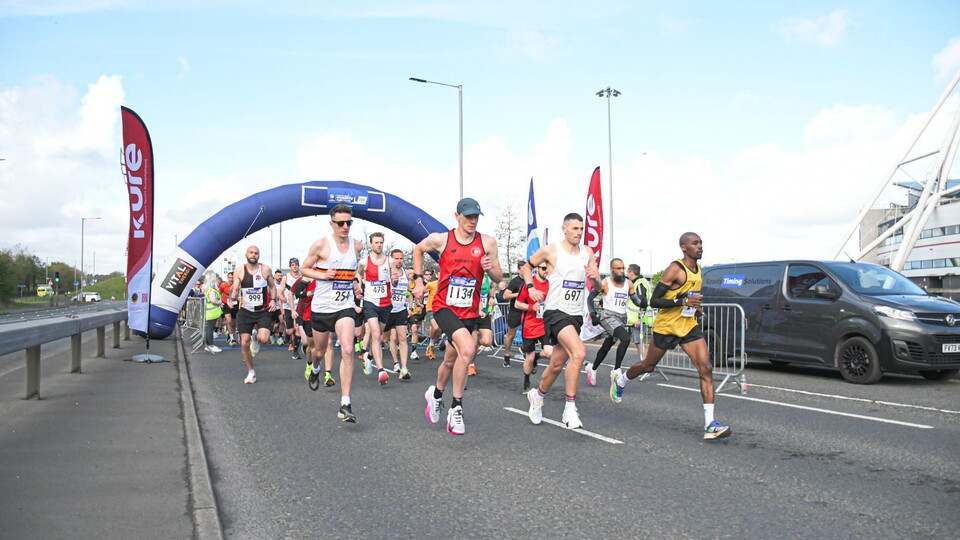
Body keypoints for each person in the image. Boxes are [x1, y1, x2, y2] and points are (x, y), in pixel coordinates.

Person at [609, 232, 732, 440]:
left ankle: (710, 424)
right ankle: (621, 380)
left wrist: (695, 307)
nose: (700, 246)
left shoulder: (698, 269)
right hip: (667, 327)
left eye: (701, 243)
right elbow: (654, 301)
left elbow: (686, 295)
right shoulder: (675, 269)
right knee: (648, 366)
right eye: (695, 243)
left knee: (706, 369)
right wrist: (682, 303)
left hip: (688, 325)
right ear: (684, 247)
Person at [413, 197, 502, 436]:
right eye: (468, 216)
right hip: (444, 306)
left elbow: (498, 276)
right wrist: (419, 279)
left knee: (451, 360)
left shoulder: (487, 242)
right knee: (467, 349)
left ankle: (436, 394)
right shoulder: (442, 239)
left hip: (470, 311)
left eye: (476, 217)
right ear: (457, 216)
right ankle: (456, 408)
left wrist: (488, 268)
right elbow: (418, 249)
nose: (472, 221)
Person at [522, 213, 601, 429]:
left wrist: (595, 277)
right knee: (580, 352)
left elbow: (599, 285)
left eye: (581, 229)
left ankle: (537, 396)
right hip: (555, 312)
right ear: (564, 229)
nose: (579, 233)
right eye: (575, 228)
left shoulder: (588, 252)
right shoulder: (551, 250)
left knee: (556, 365)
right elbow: (526, 268)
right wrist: (531, 288)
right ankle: (570, 408)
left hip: (575, 315)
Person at [300, 204, 364, 423]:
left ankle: (345, 403)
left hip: (344, 306)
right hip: (322, 308)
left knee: (347, 348)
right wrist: (321, 274)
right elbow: (304, 269)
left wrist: (355, 284)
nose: (345, 226)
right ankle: (316, 367)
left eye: (349, 222)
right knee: (318, 351)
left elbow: (353, 270)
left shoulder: (357, 245)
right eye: (340, 223)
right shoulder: (321, 245)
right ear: (332, 224)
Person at [585, 258, 647, 385]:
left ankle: (593, 367)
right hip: (608, 316)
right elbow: (590, 298)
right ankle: (616, 369)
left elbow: (636, 300)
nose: (621, 271)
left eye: (623, 268)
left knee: (607, 345)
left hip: (621, 318)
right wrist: (593, 314)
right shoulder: (605, 282)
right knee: (625, 338)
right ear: (611, 269)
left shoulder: (628, 283)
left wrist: (643, 303)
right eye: (618, 268)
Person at [229, 245, 280, 384]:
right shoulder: (239, 270)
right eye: (251, 252)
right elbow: (235, 286)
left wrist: (274, 300)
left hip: (263, 310)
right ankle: (251, 372)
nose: (254, 255)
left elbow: (273, 287)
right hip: (246, 311)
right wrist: (232, 295)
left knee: (264, 338)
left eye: (256, 253)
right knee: (244, 343)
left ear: (259, 255)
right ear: (246, 254)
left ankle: (255, 338)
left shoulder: (265, 269)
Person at [358, 232, 394, 385]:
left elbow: (395, 282)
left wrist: (396, 280)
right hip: (370, 302)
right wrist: (359, 285)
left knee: (379, 337)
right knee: (376, 334)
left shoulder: (390, 262)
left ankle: (370, 357)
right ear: (370, 244)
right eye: (376, 242)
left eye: (381, 242)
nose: (379, 245)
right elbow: (357, 274)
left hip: (385, 303)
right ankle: (381, 370)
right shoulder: (364, 262)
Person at [513, 261, 551, 394]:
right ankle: (526, 381)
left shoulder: (551, 284)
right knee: (528, 358)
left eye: (548, 268)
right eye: (544, 268)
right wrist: (531, 307)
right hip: (530, 325)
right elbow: (517, 304)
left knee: (549, 352)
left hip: (545, 324)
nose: (547, 271)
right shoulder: (529, 285)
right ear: (537, 269)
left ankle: (537, 357)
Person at [384, 248, 412, 379]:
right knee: (386, 338)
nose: (399, 261)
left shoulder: (405, 273)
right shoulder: (387, 272)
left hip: (401, 310)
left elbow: (409, 292)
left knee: (402, 338)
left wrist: (411, 306)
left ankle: (404, 368)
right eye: (397, 258)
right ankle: (395, 362)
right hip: (387, 310)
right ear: (391, 259)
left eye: (401, 258)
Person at [625, 263, 653, 361]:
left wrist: (639, 319)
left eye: (627, 271)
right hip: (639, 318)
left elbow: (642, 301)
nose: (627, 274)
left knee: (639, 342)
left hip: (640, 319)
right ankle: (644, 363)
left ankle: (644, 364)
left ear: (631, 272)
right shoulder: (641, 282)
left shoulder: (639, 283)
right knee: (639, 341)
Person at [500, 261, 526, 366]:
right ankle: (506, 356)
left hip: (527, 311)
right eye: (524, 269)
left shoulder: (531, 281)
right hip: (515, 311)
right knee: (511, 335)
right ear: (519, 270)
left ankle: (527, 355)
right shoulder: (515, 281)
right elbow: (505, 296)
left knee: (527, 335)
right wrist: (519, 294)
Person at [283, 258, 303, 359]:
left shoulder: (302, 277)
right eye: (292, 265)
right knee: (290, 330)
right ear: (290, 266)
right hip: (288, 306)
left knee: (298, 329)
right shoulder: (286, 277)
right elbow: (281, 290)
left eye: (296, 264)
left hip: (299, 305)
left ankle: (295, 352)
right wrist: (281, 296)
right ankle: (287, 336)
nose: (294, 266)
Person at [201, 271, 223, 353]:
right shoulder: (211, 290)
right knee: (210, 329)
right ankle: (210, 345)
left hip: (210, 312)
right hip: (212, 312)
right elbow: (213, 300)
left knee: (209, 329)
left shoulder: (207, 289)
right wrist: (220, 302)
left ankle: (209, 345)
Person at [218, 271, 236, 346]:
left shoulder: (238, 285)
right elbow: (219, 294)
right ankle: (232, 338)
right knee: (229, 321)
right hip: (226, 305)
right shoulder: (223, 286)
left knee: (234, 323)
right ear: (227, 278)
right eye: (230, 277)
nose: (231, 279)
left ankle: (230, 333)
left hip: (235, 305)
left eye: (232, 277)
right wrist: (220, 303)